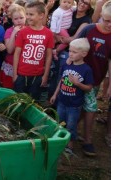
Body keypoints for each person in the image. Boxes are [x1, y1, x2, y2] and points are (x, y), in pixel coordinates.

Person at [75, 0, 110, 156]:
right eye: (107, 21)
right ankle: (71, 130)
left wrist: (110, 86)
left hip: (94, 80)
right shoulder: (89, 29)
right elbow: (74, 47)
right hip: (76, 78)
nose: (110, 25)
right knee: (76, 106)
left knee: (90, 108)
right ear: (101, 15)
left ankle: (87, 139)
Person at [50, 38, 93, 155]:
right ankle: (59, 141)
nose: (71, 54)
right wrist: (55, 94)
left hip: (74, 105)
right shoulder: (66, 64)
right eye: (70, 51)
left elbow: (89, 87)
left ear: (84, 53)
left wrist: (77, 83)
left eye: (74, 52)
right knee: (59, 122)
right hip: (62, 101)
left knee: (71, 125)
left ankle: (70, 146)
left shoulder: (86, 70)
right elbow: (62, 80)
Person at [12, 1, 54, 102]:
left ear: (41, 15)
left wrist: (45, 75)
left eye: (31, 14)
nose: (28, 17)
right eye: (27, 14)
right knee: (18, 102)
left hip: (37, 75)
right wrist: (14, 74)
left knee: (33, 102)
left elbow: (49, 56)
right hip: (21, 74)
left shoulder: (48, 34)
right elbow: (17, 53)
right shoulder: (22, 32)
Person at [0, 3, 26, 89]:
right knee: (9, 89)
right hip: (11, 64)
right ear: (12, 20)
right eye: (16, 19)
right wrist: (14, 33)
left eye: (21, 18)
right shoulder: (9, 31)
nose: (19, 20)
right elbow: (9, 50)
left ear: (26, 17)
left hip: (24, 66)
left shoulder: (29, 30)